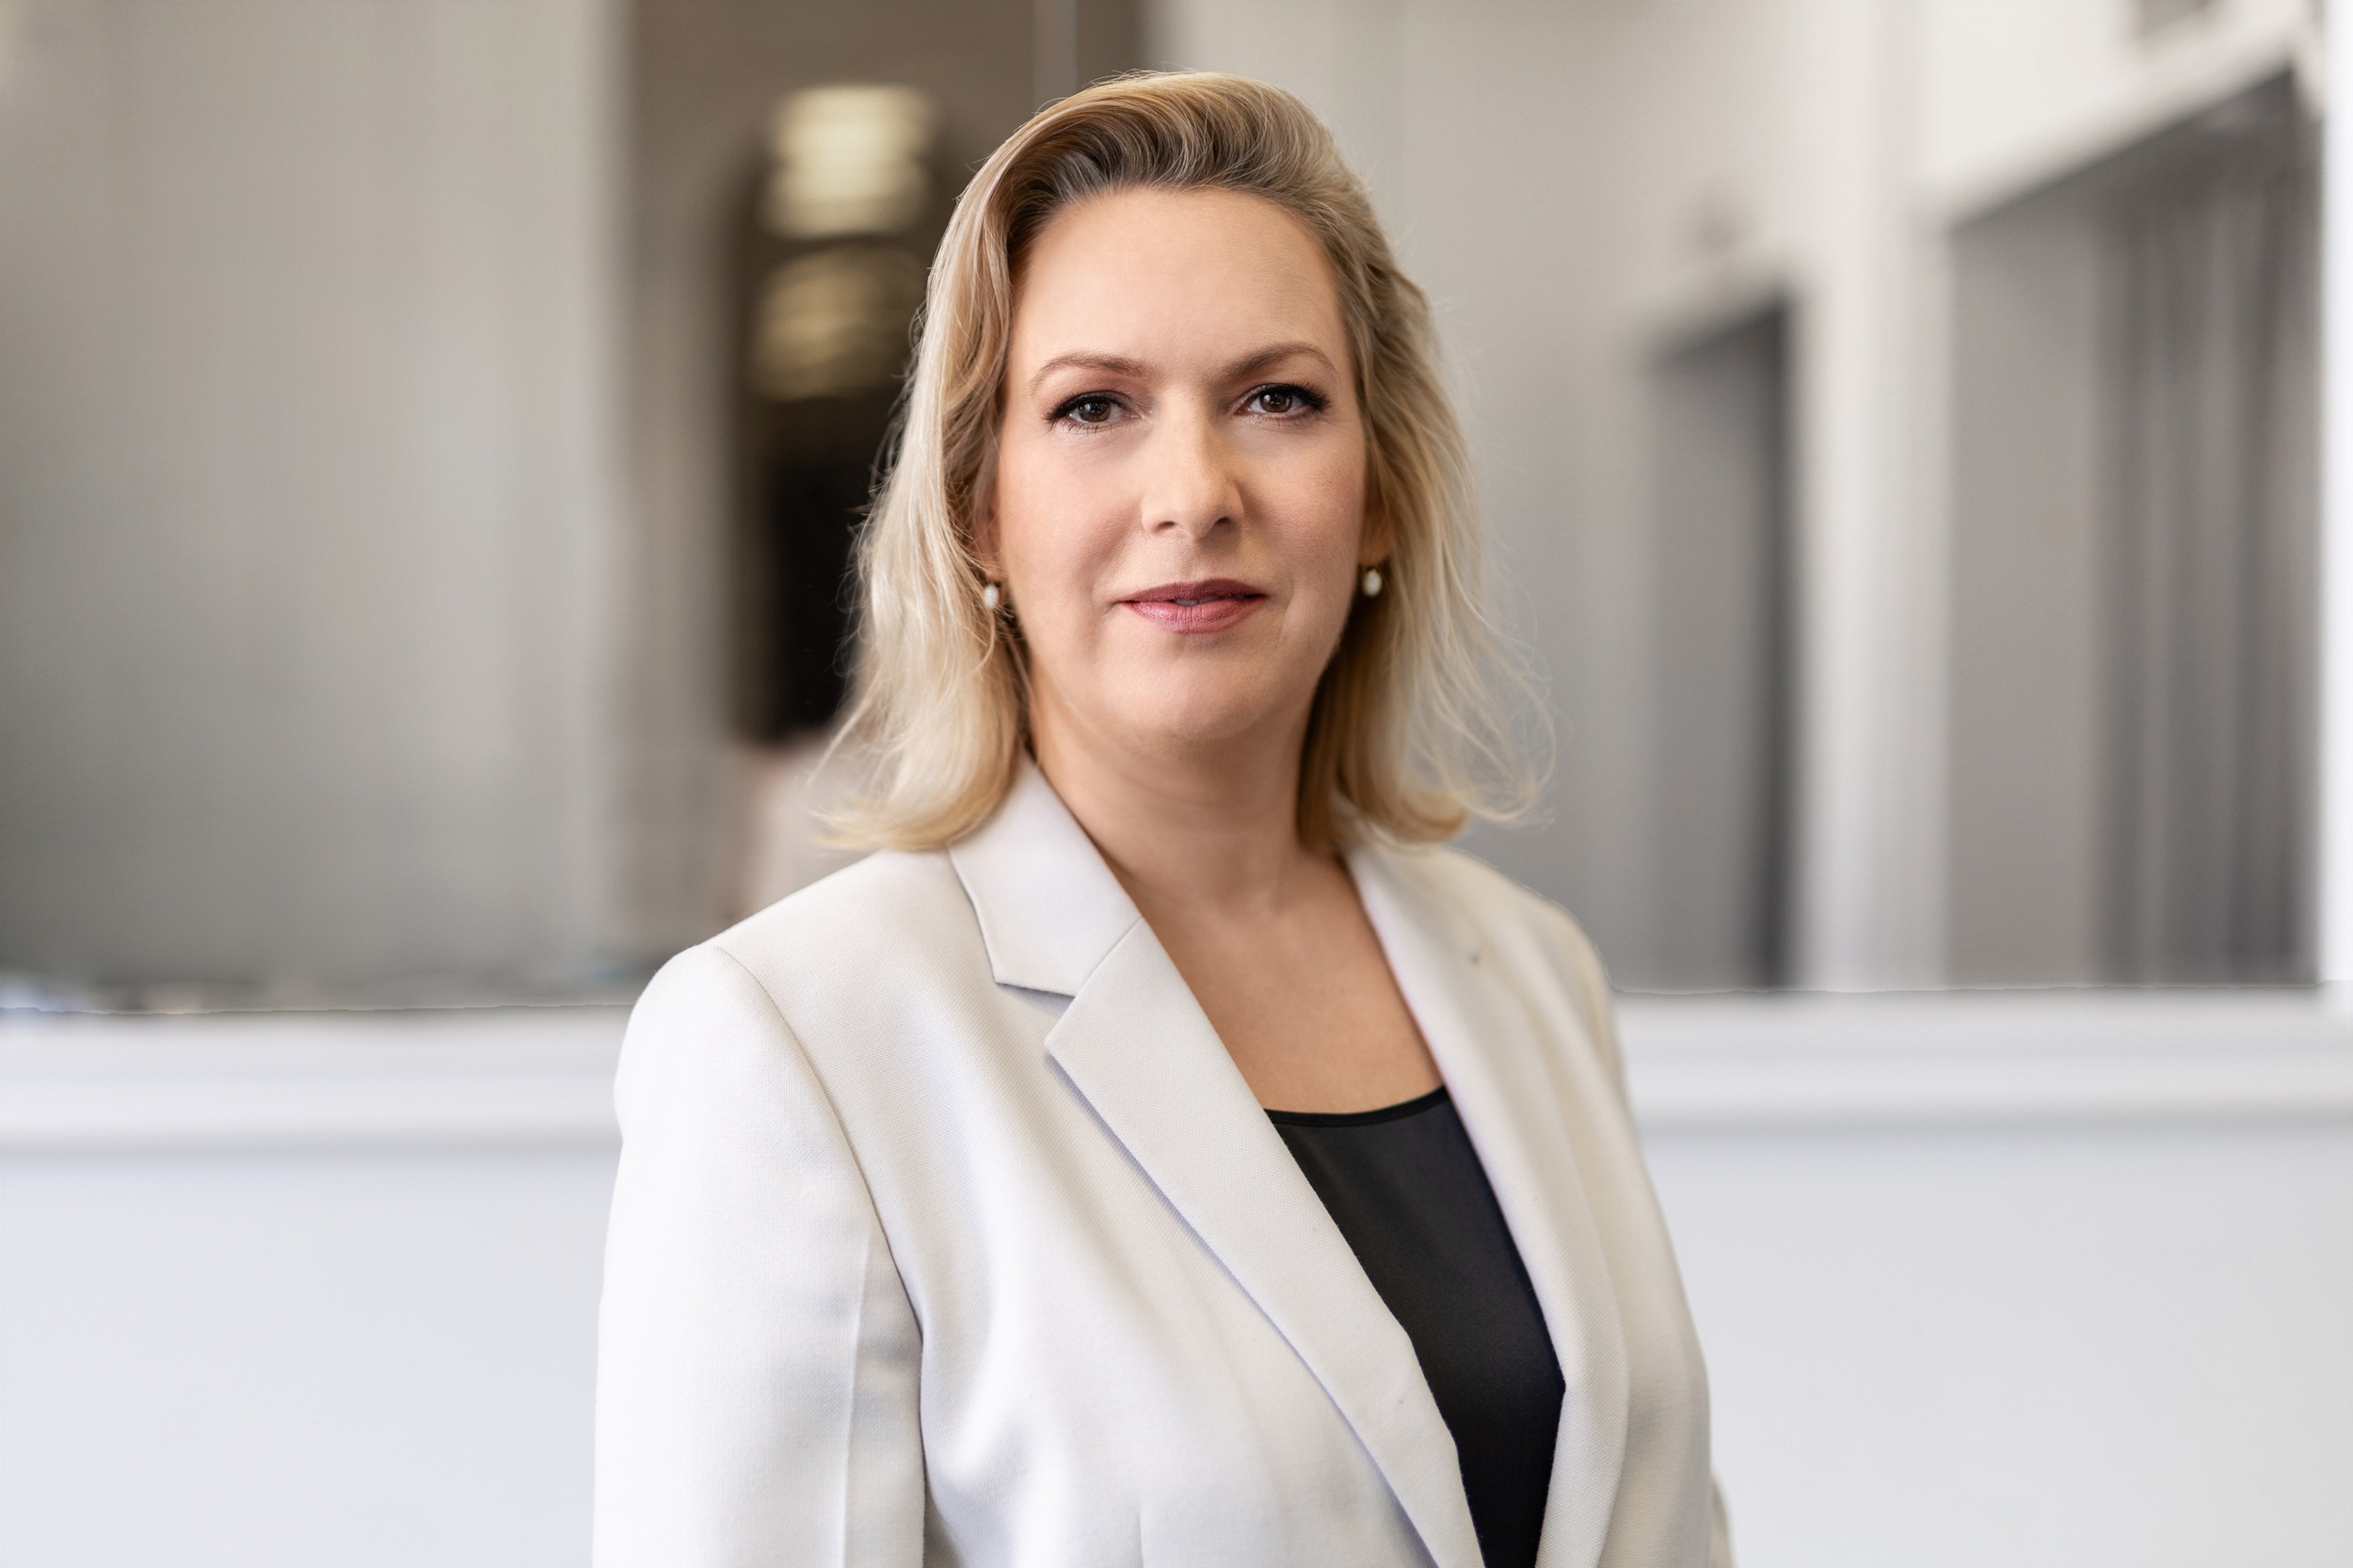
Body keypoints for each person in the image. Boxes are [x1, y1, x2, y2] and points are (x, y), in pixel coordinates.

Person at [594, 72, 1730, 1568]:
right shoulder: (794, 1037)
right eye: (1094, 407)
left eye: (1277, 398)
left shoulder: (1533, 972)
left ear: (1379, 491)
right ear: (979, 510)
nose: (1194, 490)